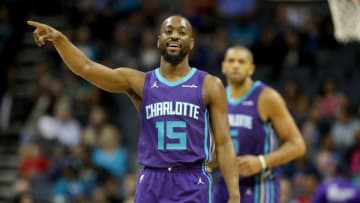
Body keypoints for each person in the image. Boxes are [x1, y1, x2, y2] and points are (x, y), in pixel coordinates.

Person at [28, 15, 240, 203]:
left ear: (191, 43)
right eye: (168, 31)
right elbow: (86, 68)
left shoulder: (209, 85)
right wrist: (59, 39)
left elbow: (224, 144)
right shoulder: (140, 82)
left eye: (182, 32)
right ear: (158, 41)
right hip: (152, 179)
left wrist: (234, 196)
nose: (175, 36)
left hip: (192, 178)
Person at [209, 46, 306, 203]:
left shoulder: (267, 97)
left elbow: (298, 145)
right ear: (223, 66)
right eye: (231, 61)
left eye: (241, 62)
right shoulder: (217, 99)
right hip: (225, 184)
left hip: (259, 185)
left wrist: (262, 161)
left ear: (251, 68)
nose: (235, 65)